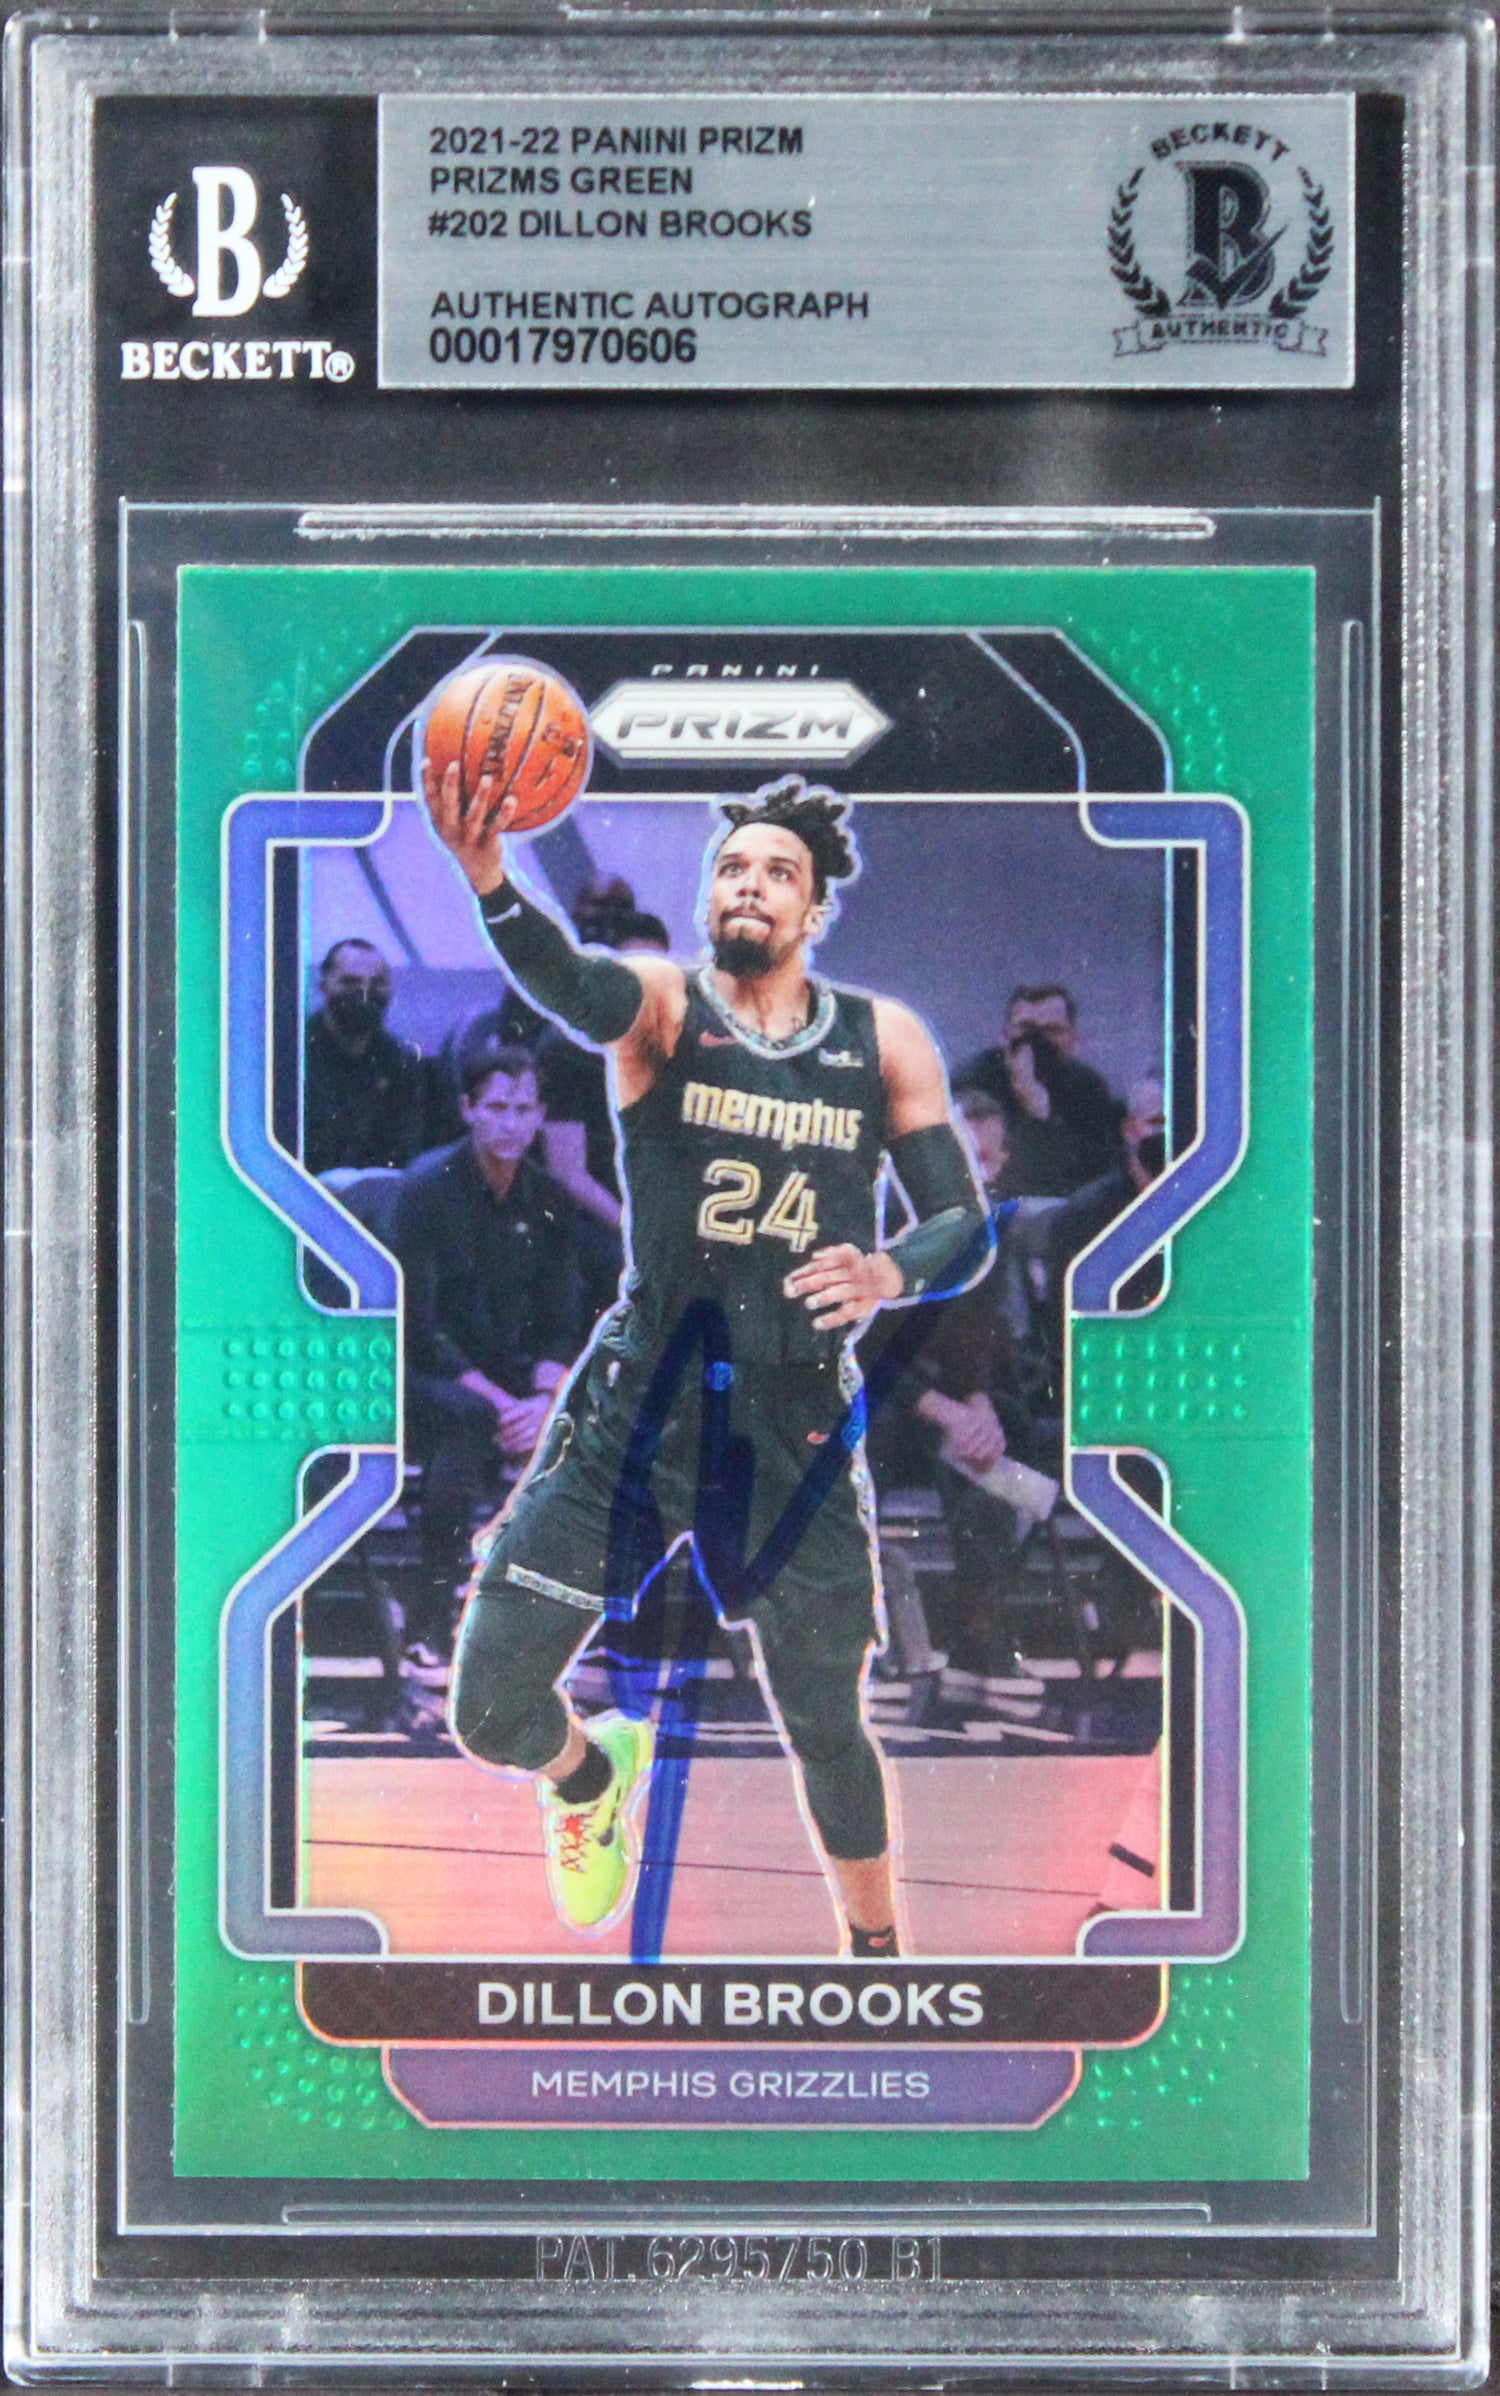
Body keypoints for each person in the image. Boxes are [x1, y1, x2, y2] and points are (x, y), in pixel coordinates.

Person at [420, 763, 990, 1956]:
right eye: (732, 866)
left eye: (778, 870)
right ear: (707, 895)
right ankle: (589, 1775)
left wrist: (890, 1269)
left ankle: (877, 1953)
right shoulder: (663, 1006)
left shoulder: (883, 1037)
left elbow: (961, 1221)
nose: (750, 884)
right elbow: (572, 980)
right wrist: (492, 880)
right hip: (640, 1404)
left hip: (793, 1423)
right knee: (487, 1707)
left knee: (824, 1719)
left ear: (814, 906)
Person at [392, 1044, 589, 1663]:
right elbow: (421, 1327)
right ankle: (430, 1618)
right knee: (470, 1422)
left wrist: (544, 1398)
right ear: (468, 1110)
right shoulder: (426, 1190)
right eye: (497, 1108)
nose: (510, 1124)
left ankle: (552, 1625)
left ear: (541, 1117)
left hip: (514, 1382)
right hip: (431, 1374)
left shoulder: (550, 1196)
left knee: (583, 1422)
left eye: (523, 1110)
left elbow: (563, 1318)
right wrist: (505, 1404)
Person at [956, 983, 1124, 1198]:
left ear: (1072, 1039)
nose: (1037, 1041)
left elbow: (1091, 1173)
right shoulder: (973, 1082)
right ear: (1005, 1036)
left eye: (1051, 1030)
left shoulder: (1088, 1089)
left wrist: (1037, 1104)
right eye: (1026, 1029)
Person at [303, 937, 425, 1176]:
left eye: (377, 984)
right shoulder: (296, 1054)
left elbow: (407, 1152)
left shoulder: (399, 1061)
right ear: (324, 987)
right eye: (350, 982)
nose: (365, 994)